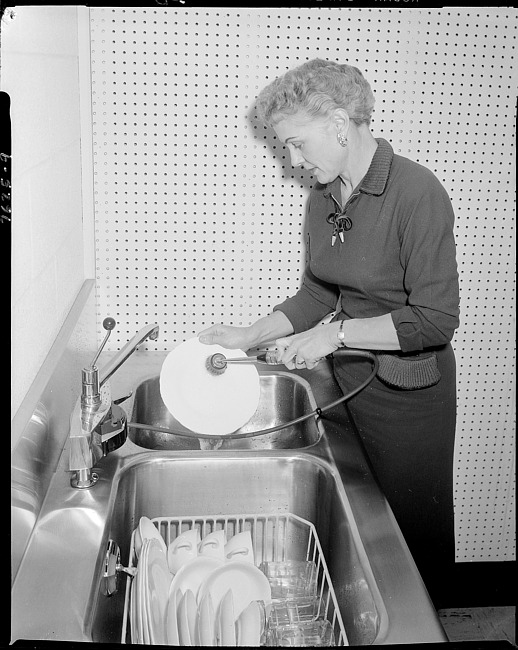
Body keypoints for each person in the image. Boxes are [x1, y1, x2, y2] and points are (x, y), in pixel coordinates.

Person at [199, 58, 460, 607]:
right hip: (345, 388)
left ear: (341, 125)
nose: (292, 161)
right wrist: (247, 335)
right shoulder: (324, 198)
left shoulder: (418, 193)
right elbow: (319, 293)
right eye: (282, 147)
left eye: (296, 144)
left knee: (410, 539)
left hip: (406, 397)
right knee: (355, 523)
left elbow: (435, 319)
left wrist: (336, 336)